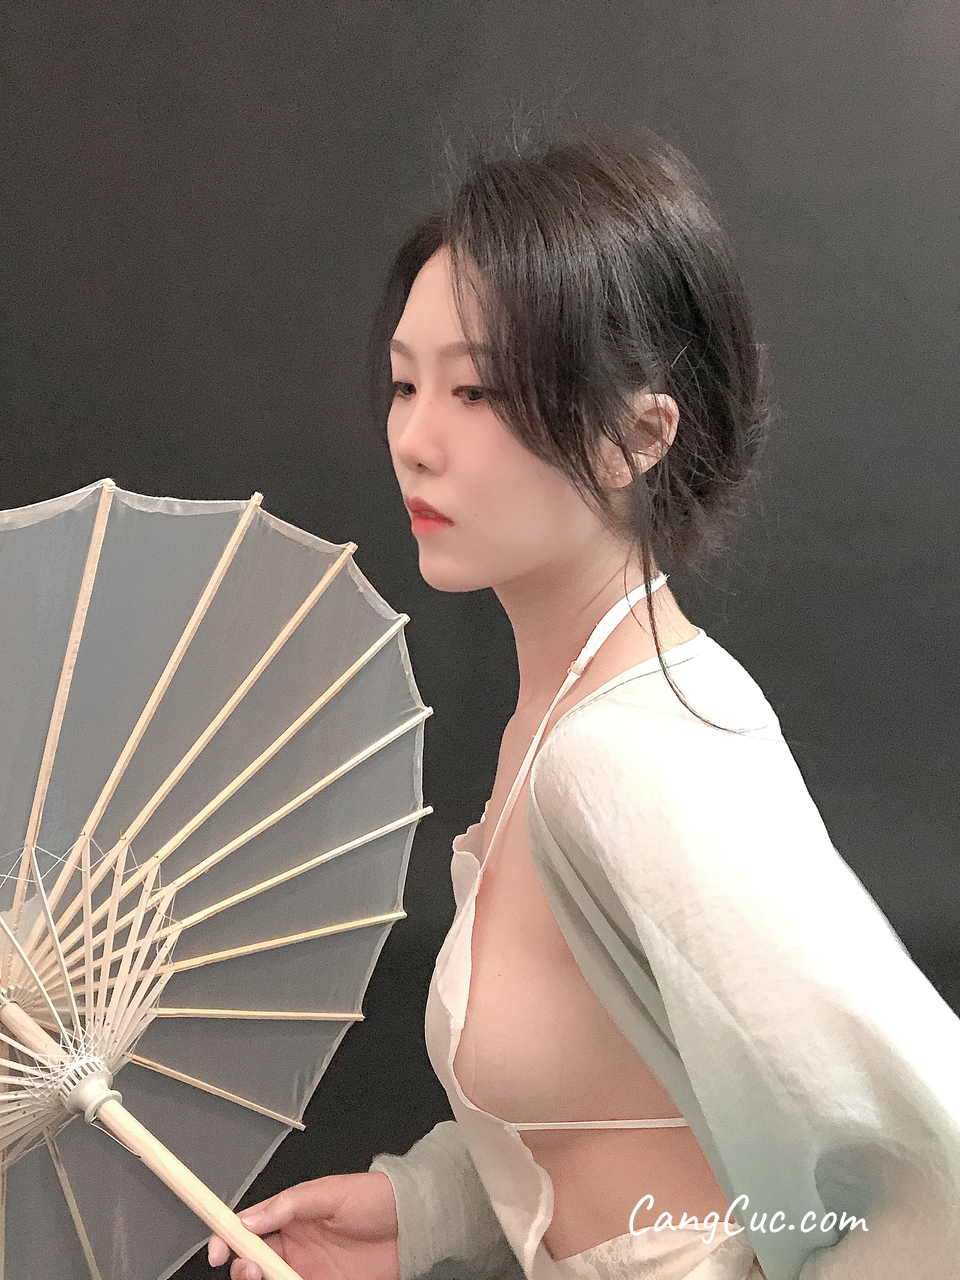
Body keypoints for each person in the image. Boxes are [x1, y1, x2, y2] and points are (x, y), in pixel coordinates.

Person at [208, 127, 960, 1280]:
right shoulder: (571, 715)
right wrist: (427, 1210)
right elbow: (640, 1093)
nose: (414, 438)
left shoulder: (624, 762)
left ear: (635, 435)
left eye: (475, 389)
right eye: (405, 383)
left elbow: (933, 1172)